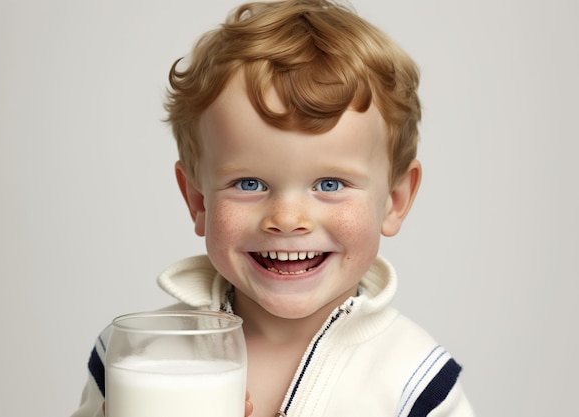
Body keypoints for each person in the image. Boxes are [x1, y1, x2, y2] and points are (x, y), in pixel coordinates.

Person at [72, 1, 476, 416]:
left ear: (394, 201)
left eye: (330, 184)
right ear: (198, 200)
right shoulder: (137, 358)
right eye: (249, 184)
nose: (286, 219)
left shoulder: (417, 382)